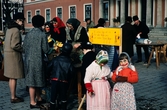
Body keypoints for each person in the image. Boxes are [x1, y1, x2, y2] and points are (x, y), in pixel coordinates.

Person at [23, 15, 50, 109]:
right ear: (42, 23)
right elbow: (46, 49)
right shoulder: (42, 35)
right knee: (35, 81)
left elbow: (24, 47)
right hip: (38, 60)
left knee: (33, 80)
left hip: (28, 60)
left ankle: (38, 98)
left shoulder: (28, 34)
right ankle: (32, 102)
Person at [4, 12, 25, 103]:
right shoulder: (16, 30)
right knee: (14, 77)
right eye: (21, 20)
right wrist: (23, 49)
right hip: (14, 56)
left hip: (8, 55)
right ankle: (13, 97)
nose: (22, 22)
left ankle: (13, 95)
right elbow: (15, 45)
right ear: (17, 20)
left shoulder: (9, 29)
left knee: (11, 77)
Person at [47, 43, 74, 110]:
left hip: (54, 79)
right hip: (64, 81)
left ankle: (52, 108)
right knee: (63, 97)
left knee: (53, 97)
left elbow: (48, 68)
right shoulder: (69, 61)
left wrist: (48, 77)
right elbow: (72, 73)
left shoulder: (56, 59)